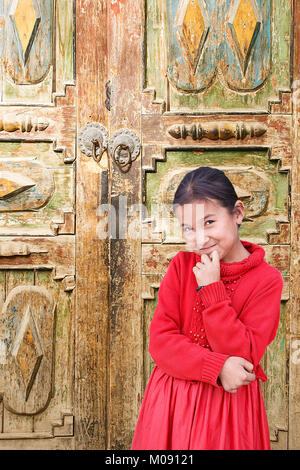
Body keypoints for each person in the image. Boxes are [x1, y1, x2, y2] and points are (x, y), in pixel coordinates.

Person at [131, 166, 284, 450]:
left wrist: (212, 290)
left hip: (228, 411)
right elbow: (161, 342)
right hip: (172, 403)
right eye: (189, 228)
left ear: (237, 213)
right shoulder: (181, 267)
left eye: (209, 222)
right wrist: (216, 366)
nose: (200, 240)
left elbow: (245, 354)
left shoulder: (266, 281)